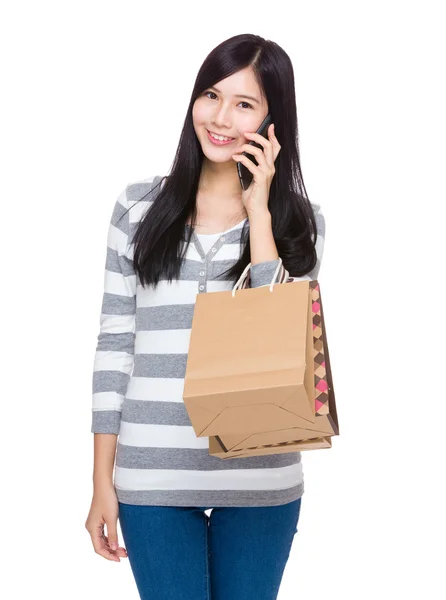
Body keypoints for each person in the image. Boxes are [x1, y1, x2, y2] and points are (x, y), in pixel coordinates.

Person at [85, 33, 325, 600]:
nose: (220, 117)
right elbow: (115, 343)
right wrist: (101, 481)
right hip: (152, 473)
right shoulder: (138, 206)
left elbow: (279, 338)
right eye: (211, 95)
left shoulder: (299, 221)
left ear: (273, 119)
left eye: (245, 104)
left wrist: (260, 213)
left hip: (262, 476)